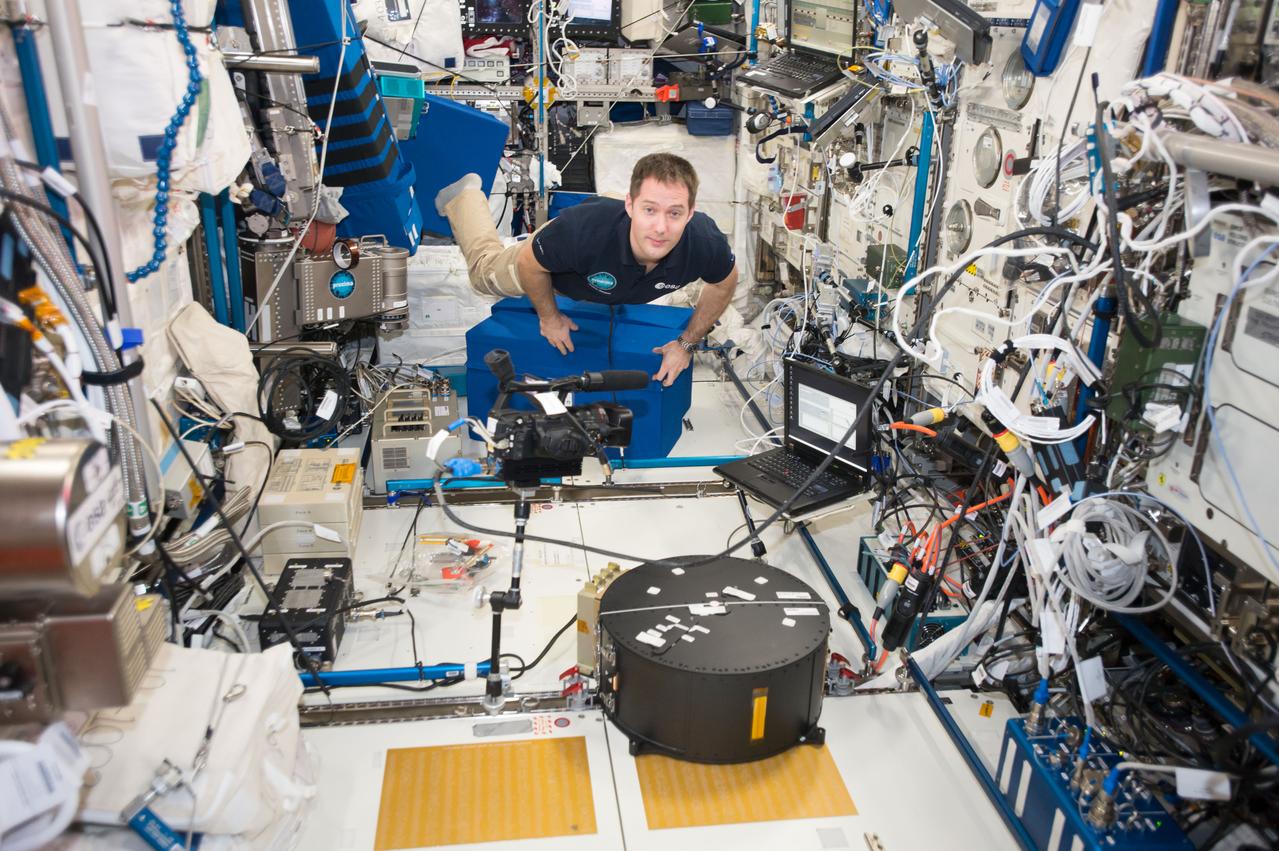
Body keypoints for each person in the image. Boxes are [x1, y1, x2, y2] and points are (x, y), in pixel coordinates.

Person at [435, 152, 738, 386]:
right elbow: (530, 262)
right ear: (631, 206)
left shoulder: (703, 242)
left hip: (601, 258)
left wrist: (686, 344)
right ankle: (465, 196)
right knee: (483, 276)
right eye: (649, 210)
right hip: (570, 253)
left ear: (690, 214)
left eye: (675, 213)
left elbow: (725, 283)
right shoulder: (581, 232)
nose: (661, 227)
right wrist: (550, 318)